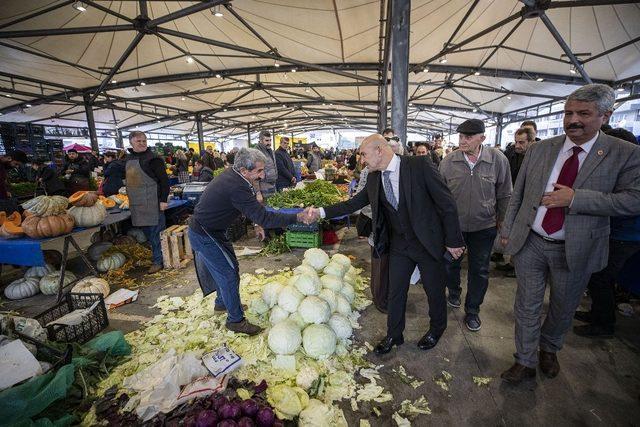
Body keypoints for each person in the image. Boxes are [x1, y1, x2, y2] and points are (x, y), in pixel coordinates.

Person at [499, 84, 640, 384]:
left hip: (576, 247)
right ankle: (524, 361)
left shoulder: (624, 153)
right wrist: (508, 232)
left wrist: (576, 199)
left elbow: (634, 200)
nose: (572, 120)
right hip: (532, 242)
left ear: (605, 115)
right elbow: (519, 194)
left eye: (583, 114)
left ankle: (549, 349)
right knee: (526, 304)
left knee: (563, 306)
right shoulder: (540, 149)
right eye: (568, 113)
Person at [308, 134, 465, 355]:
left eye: (363, 154)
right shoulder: (374, 177)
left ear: (379, 150)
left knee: (434, 291)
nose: (361, 160)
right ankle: (394, 334)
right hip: (400, 244)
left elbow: (446, 202)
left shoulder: (419, 165)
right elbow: (354, 203)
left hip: (427, 242)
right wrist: (321, 212)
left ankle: (436, 329)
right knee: (395, 291)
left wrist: (454, 240)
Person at [189, 148, 316, 335]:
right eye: (258, 171)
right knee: (228, 273)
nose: (262, 175)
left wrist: (256, 223)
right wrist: (297, 217)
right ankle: (235, 321)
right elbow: (265, 216)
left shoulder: (236, 176)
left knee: (229, 268)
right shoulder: (236, 185)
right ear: (244, 170)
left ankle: (223, 303)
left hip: (213, 230)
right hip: (205, 233)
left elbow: (250, 208)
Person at [439, 119, 512, 331]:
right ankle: (454, 291)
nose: (463, 140)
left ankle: (472, 311)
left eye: (468, 137)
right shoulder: (448, 162)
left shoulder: (497, 160)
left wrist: (503, 223)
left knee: (479, 270)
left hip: (484, 227)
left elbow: (506, 193)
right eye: (460, 136)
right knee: (450, 264)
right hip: (455, 228)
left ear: (482, 138)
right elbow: (440, 197)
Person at [573, 127, 640, 338]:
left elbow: (626, 204)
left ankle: (604, 324)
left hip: (625, 236)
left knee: (601, 277)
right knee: (598, 276)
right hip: (617, 233)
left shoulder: (632, 169)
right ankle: (596, 314)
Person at [125, 131, 170, 274]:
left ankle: (159, 261)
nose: (142, 143)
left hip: (153, 202)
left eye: (144, 141)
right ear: (131, 142)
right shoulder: (129, 158)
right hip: (137, 203)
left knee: (157, 234)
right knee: (148, 235)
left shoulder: (154, 159)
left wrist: (163, 200)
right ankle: (156, 256)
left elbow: (164, 181)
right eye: (139, 141)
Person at [497, 127, 537, 277]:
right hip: (514, 199)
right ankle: (513, 263)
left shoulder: (539, 157)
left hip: (528, 203)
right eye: (516, 142)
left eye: (521, 142)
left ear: (531, 141)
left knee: (523, 235)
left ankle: (517, 267)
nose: (517, 145)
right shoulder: (513, 154)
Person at [254, 131, 278, 199]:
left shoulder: (270, 150)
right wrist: (258, 192)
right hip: (263, 186)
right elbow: (255, 173)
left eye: (270, 140)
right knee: (265, 207)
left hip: (273, 184)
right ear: (261, 140)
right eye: (267, 140)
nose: (269, 143)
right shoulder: (256, 152)